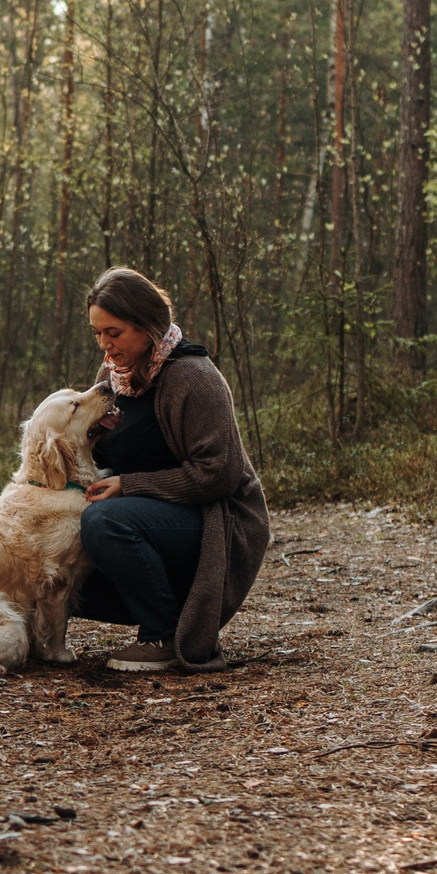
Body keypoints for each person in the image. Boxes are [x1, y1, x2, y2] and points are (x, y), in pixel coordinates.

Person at [73, 266, 270, 672]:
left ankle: (163, 634)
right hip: (148, 518)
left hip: (216, 519)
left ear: (147, 326)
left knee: (104, 522)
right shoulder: (113, 375)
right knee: (58, 556)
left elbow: (220, 474)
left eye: (115, 332)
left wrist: (129, 485)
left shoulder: (194, 378)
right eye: (97, 333)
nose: (105, 346)